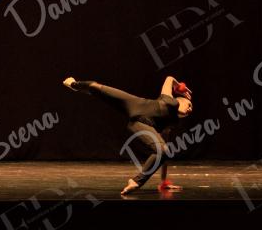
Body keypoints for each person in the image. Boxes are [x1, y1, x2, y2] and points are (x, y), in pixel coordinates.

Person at [62, 76, 193, 196]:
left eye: (191, 110)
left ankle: (136, 182)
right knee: (96, 87)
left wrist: (164, 182)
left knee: (163, 150)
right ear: (180, 100)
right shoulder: (170, 100)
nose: (190, 109)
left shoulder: (171, 122)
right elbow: (169, 78)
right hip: (136, 104)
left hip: (140, 124)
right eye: (189, 104)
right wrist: (177, 86)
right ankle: (74, 84)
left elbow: (164, 153)